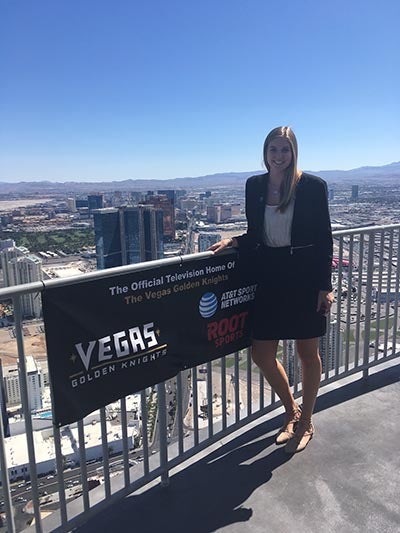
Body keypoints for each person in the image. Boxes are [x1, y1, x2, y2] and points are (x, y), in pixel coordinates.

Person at [209, 126, 334, 453]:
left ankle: (306, 421)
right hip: (270, 275)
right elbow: (256, 233)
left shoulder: (312, 186)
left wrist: (325, 286)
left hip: (305, 277)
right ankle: (291, 411)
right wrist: (233, 241)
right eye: (273, 150)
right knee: (262, 353)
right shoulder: (255, 185)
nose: (279, 156)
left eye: (285, 150)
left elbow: (324, 239)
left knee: (307, 355)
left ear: (294, 152)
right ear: (265, 153)